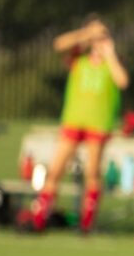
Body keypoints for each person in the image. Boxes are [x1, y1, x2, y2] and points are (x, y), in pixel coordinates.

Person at [27, 19, 128, 233]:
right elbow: (58, 44)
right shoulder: (79, 59)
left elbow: (122, 81)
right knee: (55, 171)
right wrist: (85, 33)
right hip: (73, 121)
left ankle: (87, 222)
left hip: (98, 124)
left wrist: (109, 54)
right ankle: (40, 217)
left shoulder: (111, 63)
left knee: (92, 173)